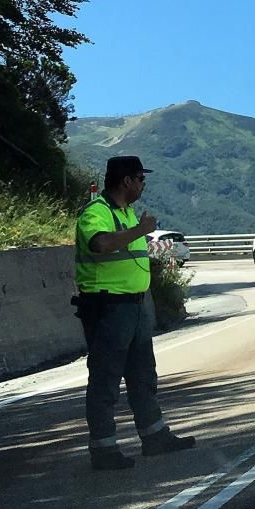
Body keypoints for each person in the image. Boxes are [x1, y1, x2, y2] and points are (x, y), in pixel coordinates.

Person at [74, 156, 195, 471]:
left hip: (135, 306)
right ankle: (103, 450)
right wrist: (141, 229)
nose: (143, 184)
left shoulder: (127, 214)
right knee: (106, 379)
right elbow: (100, 244)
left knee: (143, 375)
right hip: (108, 307)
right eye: (141, 178)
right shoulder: (96, 212)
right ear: (125, 180)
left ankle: (155, 437)